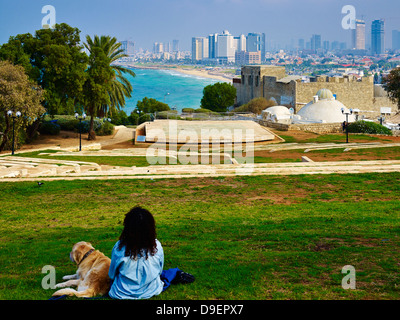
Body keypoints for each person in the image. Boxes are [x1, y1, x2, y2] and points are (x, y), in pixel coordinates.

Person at [108, 206, 164, 300]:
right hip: (152, 290)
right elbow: (159, 270)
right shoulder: (156, 246)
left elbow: (112, 274)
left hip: (122, 293)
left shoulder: (119, 247)